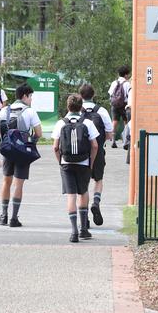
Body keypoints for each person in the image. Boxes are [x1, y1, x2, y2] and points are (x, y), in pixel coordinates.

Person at [0, 83, 42, 227]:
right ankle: (14, 218)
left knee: (6, 182)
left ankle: (3, 215)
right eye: (31, 96)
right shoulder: (30, 111)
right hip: (23, 152)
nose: (31, 100)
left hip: (8, 151)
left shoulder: (4, 110)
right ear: (25, 96)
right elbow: (38, 133)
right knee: (18, 184)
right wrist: (29, 140)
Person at [52, 94, 99, 243]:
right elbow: (95, 145)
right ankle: (84, 229)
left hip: (66, 163)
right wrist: (90, 162)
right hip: (83, 163)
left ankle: (73, 232)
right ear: (81, 107)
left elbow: (55, 147)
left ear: (68, 107)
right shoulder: (88, 123)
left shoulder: (61, 123)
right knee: (83, 192)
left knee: (71, 195)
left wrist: (60, 162)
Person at [79, 83, 113, 226]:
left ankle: (84, 217)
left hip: (80, 153)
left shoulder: (76, 110)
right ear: (94, 95)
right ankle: (96, 202)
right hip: (98, 150)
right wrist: (99, 141)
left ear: (81, 96)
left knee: (83, 185)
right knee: (98, 179)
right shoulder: (102, 111)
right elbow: (110, 134)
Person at [108, 65, 131, 148]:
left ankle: (113, 141)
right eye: (128, 74)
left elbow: (110, 94)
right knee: (126, 122)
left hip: (114, 105)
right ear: (125, 75)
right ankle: (125, 141)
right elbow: (129, 95)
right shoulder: (127, 84)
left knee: (114, 122)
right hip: (124, 105)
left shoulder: (114, 83)